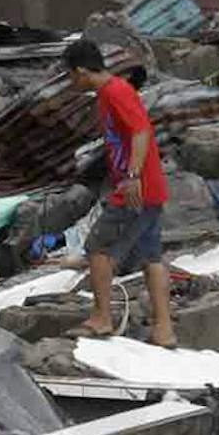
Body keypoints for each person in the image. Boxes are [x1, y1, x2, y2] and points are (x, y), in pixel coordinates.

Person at [62, 35, 173, 347]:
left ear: (82, 71)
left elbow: (140, 131)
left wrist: (133, 176)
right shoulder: (112, 92)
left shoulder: (115, 92)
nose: (72, 82)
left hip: (135, 188)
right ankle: (164, 330)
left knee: (98, 247)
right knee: (151, 257)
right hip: (150, 189)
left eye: (71, 76)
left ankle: (101, 320)